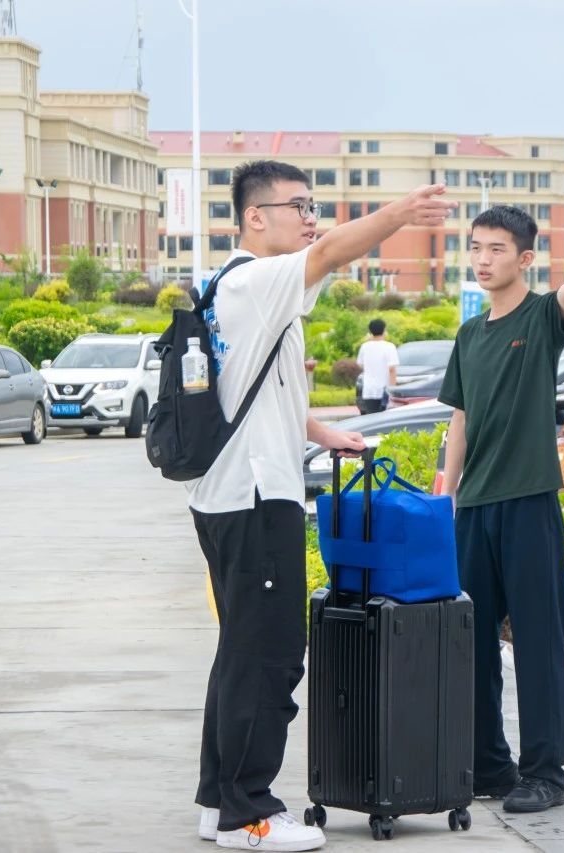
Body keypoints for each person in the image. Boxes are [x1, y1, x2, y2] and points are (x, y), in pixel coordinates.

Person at [188, 160, 453, 850]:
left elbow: (252, 386)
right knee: (270, 654)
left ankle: (219, 801)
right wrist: (400, 214)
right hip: (255, 496)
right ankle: (248, 813)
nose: (311, 219)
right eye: (298, 206)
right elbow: (333, 250)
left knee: (240, 651)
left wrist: (318, 430)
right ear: (254, 217)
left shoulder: (229, 287)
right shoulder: (256, 280)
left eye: (313, 206)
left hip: (230, 494)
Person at [438, 203, 564, 814]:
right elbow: (460, 420)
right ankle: (489, 765)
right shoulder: (470, 335)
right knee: (471, 644)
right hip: (475, 508)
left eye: (496, 249)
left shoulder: (541, 318)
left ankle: (545, 773)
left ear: (523, 259)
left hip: (528, 503)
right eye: (476, 247)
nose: (482, 259)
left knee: (539, 643)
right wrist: (447, 491)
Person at [355, 318, 398, 414]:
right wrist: (393, 390)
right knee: (385, 418)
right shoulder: (389, 347)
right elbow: (392, 370)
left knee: (372, 418)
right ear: (384, 330)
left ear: (370, 331)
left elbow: (361, 365)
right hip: (385, 391)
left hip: (368, 390)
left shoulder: (364, 347)